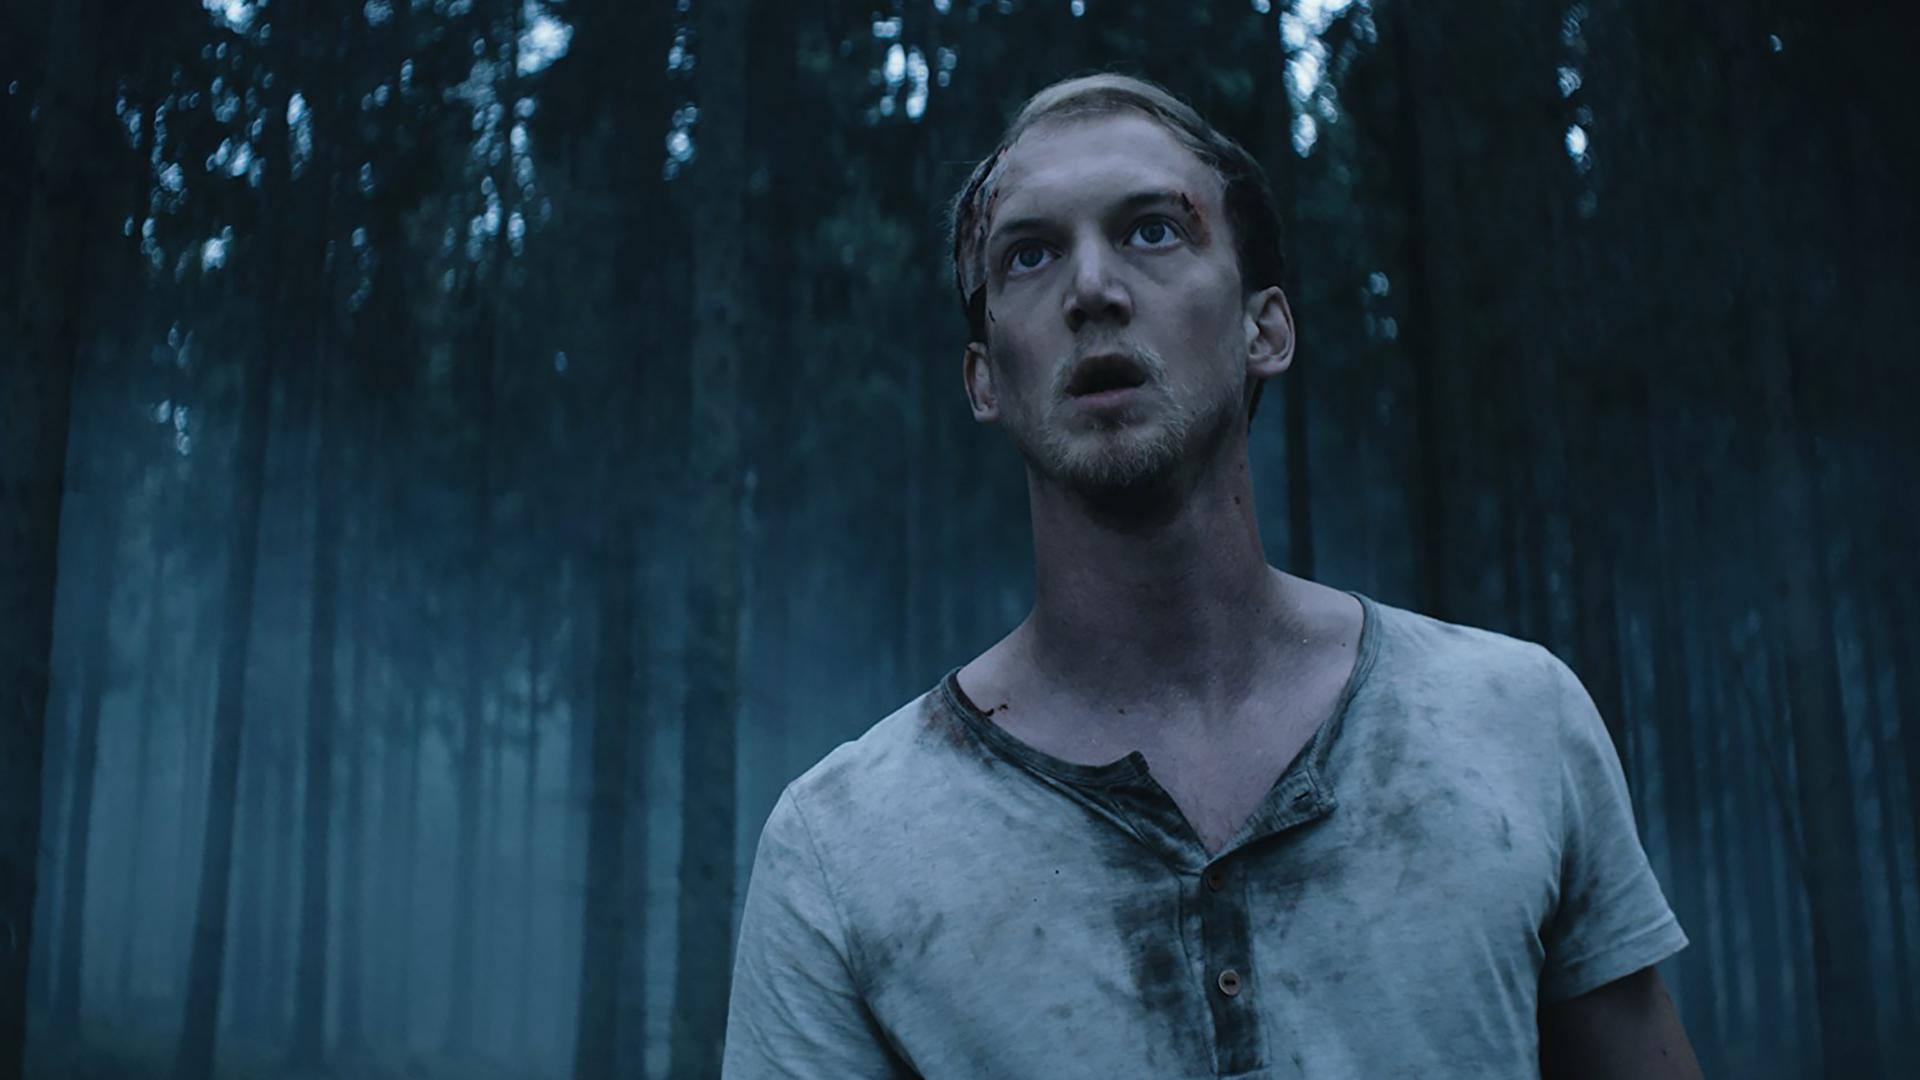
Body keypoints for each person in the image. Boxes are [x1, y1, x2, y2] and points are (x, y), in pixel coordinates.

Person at [721, 73, 1700, 1079]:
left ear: (1262, 330)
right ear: (985, 379)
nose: (1091, 290)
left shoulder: (1514, 722)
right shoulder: (842, 850)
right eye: (1029, 255)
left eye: (1152, 231)